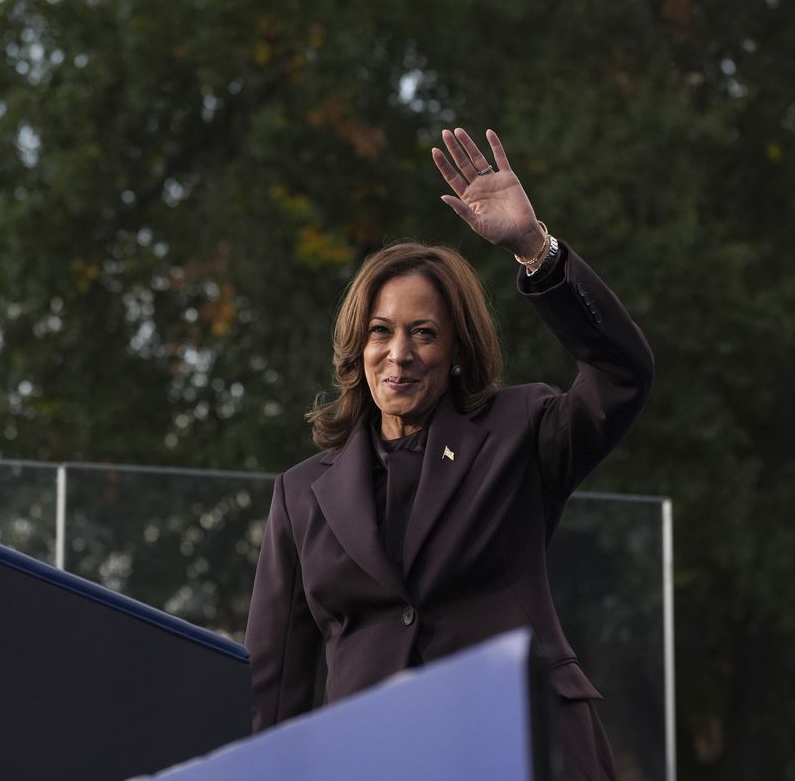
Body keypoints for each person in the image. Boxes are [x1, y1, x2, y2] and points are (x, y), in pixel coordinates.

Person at [245, 127, 654, 781]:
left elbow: (622, 375)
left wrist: (534, 251)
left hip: (524, 746)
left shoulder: (521, 430)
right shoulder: (300, 496)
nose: (399, 353)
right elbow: (278, 687)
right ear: (358, 347)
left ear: (458, 349)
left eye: (424, 334)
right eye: (381, 332)